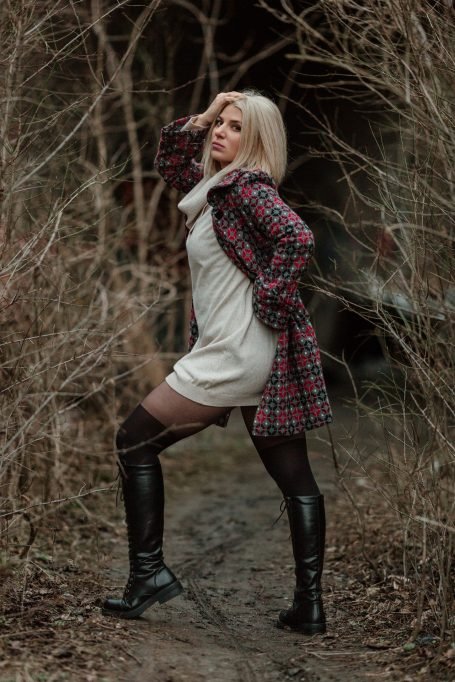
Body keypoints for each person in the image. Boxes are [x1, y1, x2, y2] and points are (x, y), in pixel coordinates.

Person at [102, 90, 333, 635]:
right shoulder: (217, 190)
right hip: (253, 354)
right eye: (220, 125)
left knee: (134, 441)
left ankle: (148, 575)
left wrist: (270, 303)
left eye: (234, 126)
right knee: (295, 478)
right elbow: (171, 162)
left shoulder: (248, 189)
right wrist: (202, 117)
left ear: (258, 140)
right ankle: (309, 607)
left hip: (236, 353)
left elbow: (297, 237)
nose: (220, 133)